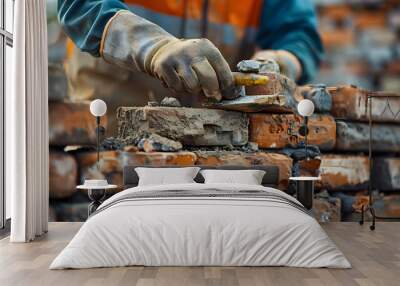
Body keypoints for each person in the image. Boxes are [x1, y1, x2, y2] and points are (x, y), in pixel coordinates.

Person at [58, 0, 323, 102]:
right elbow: (81, 7)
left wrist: (283, 61)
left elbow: (298, 33)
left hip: (216, 145)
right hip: (109, 139)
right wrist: (154, 47)